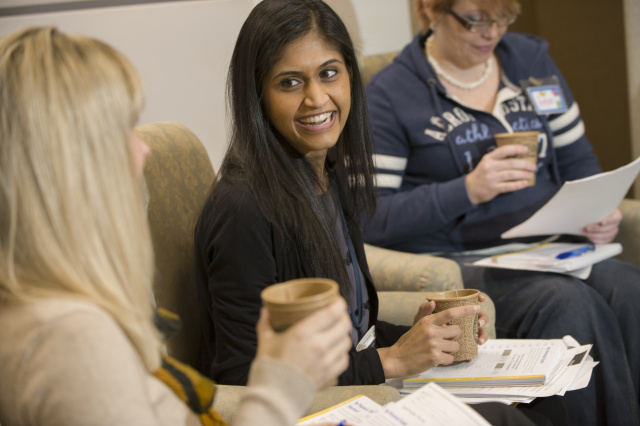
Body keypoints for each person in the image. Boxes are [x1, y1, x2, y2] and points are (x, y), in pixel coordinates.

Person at [193, 1, 560, 425]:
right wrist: (392, 360)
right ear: (257, 93)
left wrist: (420, 336)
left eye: (329, 73)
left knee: (548, 402)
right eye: (290, 82)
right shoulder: (244, 208)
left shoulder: (325, 171)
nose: (317, 98)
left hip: (358, 388)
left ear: (350, 74)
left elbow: (350, 335)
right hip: (318, 411)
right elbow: (242, 378)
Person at [0, 26, 354, 426]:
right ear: (65, 166)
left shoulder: (57, 310)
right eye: (122, 130)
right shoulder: (71, 342)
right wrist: (281, 387)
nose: (143, 149)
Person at [361, 0, 640, 425]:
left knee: (626, 284)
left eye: (503, 18)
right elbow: (372, 218)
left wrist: (596, 209)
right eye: (476, 20)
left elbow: (578, 160)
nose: (492, 33)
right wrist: (468, 190)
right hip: (471, 262)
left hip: (551, 245)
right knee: (567, 303)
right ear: (430, 11)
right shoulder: (391, 94)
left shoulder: (529, 60)